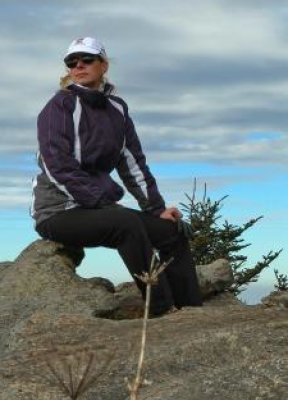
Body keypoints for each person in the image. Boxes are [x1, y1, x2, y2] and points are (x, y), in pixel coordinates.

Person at [31, 37, 203, 316]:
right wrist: (100, 202)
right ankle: (160, 310)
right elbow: (57, 165)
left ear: (103, 64)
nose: (78, 66)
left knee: (171, 231)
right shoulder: (60, 106)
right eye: (71, 62)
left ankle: (192, 311)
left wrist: (156, 209)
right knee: (124, 223)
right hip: (58, 212)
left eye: (86, 60)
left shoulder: (118, 110)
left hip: (99, 208)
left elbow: (134, 164)